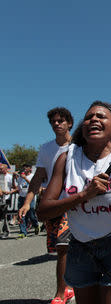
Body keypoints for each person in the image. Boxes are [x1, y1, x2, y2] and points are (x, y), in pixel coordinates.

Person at [37, 101, 111, 304]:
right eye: (89, 117)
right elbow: (43, 211)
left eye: (101, 117)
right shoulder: (67, 158)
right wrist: (84, 195)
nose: (93, 119)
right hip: (80, 247)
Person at [17, 107, 74, 304]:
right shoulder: (46, 148)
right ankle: (67, 287)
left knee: (63, 244)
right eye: (53, 122)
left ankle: (60, 293)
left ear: (69, 123)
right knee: (60, 249)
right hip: (53, 204)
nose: (56, 124)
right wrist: (27, 202)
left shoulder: (79, 146)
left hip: (75, 202)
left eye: (60, 121)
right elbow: (38, 177)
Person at [16, 164, 39, 238]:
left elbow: (34, 185)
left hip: (30, 197)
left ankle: (35, 224)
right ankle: (23, 232)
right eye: (24, 168)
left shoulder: (32, 176)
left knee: (31, 213)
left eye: (26, 168)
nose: (25, 169)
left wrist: (25, 178)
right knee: (21, 214)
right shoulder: (20, 177)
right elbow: (18, 187)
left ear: (30, 169)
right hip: (22, 197)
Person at [0, 164, 15, 238]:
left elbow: (15, 187)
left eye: (1, 169)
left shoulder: (9, 177)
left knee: (4, 216)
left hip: (6, 199)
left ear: (6, 169)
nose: (0, 170)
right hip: (0, 198)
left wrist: (9, 192)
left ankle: (6, 231)